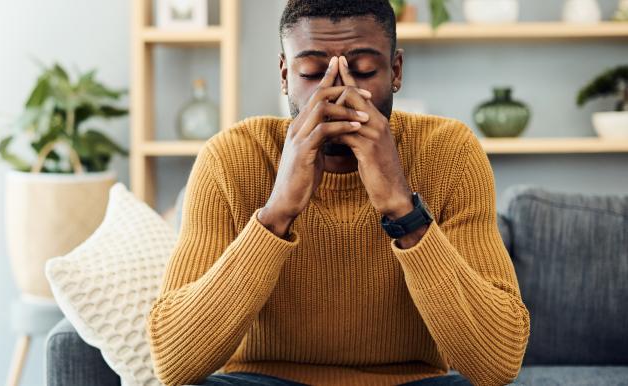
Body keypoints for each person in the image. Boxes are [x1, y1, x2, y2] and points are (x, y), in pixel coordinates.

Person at [145, 1, 530, 385]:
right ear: (284, 74)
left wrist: (402, 208)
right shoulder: (229, 157)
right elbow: (175, 365)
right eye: (312, 72)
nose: (339, 94)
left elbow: (497, 366)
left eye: (363, 71)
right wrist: (276, 213)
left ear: (395, 71)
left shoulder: (450, 151)